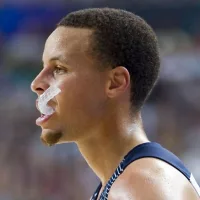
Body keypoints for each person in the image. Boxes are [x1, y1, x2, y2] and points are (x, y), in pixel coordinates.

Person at [31, 8, 200, 200]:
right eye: (43, 67)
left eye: (59, 69)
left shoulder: (139, 185)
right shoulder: (127, 179)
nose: (36, 84)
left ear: (115, 83)